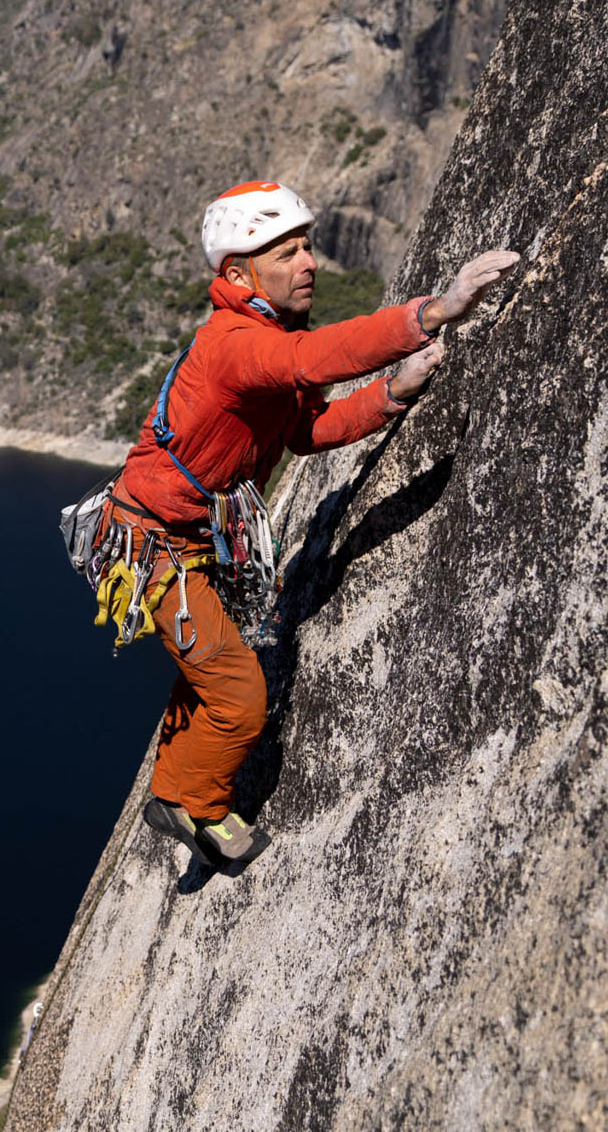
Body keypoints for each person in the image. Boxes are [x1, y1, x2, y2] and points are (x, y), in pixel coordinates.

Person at [98, 180, 518, 867]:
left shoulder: (269, 340)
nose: (309, 263)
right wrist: (436, 310)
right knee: (239, 693)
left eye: (308, 248)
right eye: (287, 252)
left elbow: (306, 432)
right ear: (238, 274)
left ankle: (174, 788)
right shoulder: (237, 345)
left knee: (208, 669)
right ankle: (193, 807)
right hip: (150, 546)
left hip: (193, 540)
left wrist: (391, 393)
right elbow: (314, 360)